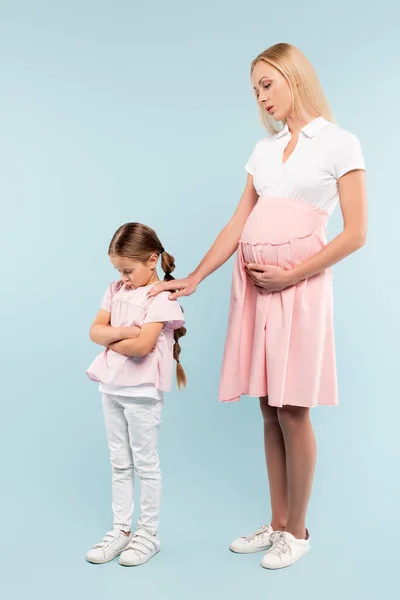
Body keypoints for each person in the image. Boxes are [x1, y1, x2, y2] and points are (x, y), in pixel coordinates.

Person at [148, 42, 367, 569]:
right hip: (254, 289)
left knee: (294, 408)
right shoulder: (264, 151)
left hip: (300, 286)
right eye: (254, 90)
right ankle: (275, 523)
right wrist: (197, 276)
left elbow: (356, 233)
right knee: (268, 407)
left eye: (268, 84)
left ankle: (299, 530)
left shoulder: (339, 143)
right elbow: (237, 223)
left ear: (294, 78)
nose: (261, 97)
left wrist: (291, 273)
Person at [85, 222, 186, 566]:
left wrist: (112, 335)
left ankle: (147, 534)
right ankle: (121, 530)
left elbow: (144, 347)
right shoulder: (115, 289)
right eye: (119, 270)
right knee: (119, 462)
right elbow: (93, 332)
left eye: (128, 270)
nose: (124, 277)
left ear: (152, 260)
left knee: (145, 463)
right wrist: (124, 330)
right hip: (110, 387)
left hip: (142, 392)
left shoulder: (161, 296)